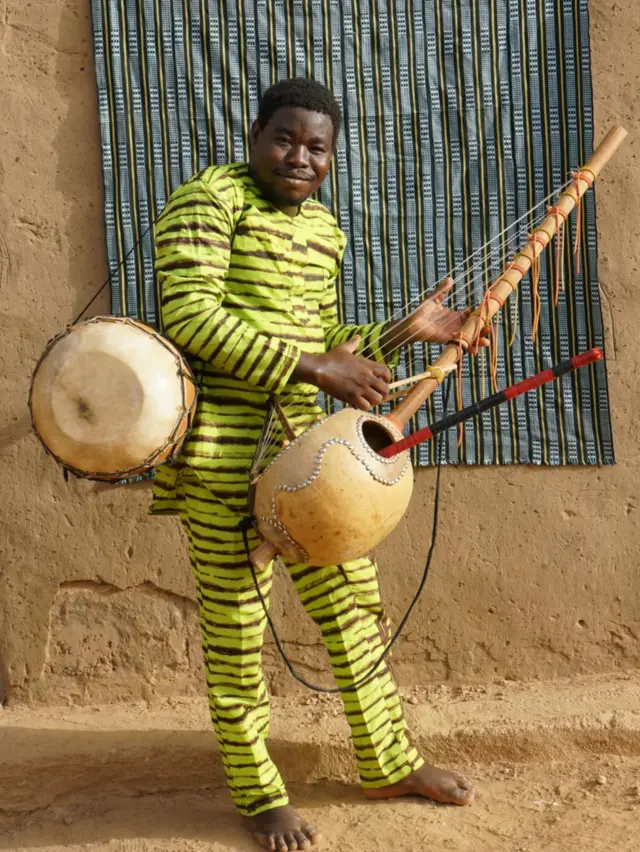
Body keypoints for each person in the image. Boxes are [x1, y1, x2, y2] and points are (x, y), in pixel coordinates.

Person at [151, 78, 483, 852]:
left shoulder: (325, 230)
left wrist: (405, 332)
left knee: (354, 612)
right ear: (255, 134)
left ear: (332, 158)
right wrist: (312, 368)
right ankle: (258, 795)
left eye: (318, 148)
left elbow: (331, 344)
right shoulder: (209, 201)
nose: (300, 157)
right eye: (285, 139)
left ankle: (388, 763)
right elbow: (189, 314)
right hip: (222, 460)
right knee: (237, 633)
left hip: (312, 459)